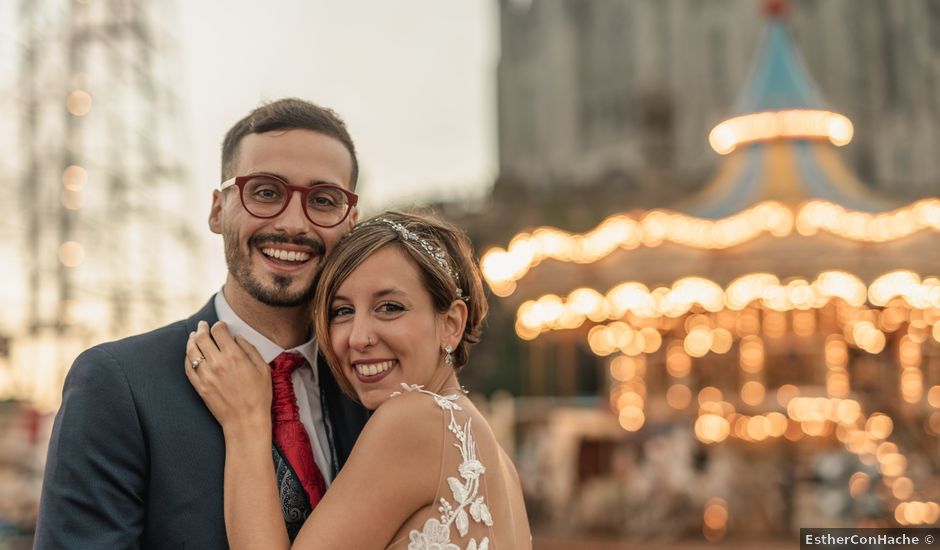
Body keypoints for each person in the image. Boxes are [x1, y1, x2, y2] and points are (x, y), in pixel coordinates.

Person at [34, 98, 371, 548]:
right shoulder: (119, 385)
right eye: (266, 192)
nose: (293, 224)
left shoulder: (370, 388)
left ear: (351, 223)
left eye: (324, 200)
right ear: (218, 210)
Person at [185, 211, 532, 549]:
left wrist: (245, 424)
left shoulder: (414, 420)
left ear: (451, 324)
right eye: (342, 311)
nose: (357, 338)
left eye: (390, 307)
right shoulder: (495, 458)